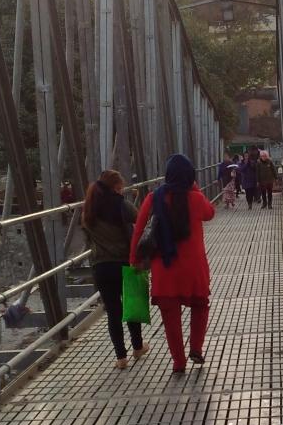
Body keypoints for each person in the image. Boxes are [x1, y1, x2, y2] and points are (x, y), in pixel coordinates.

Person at [130, 153, 215, 374]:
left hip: (164, 269)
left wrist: (134, 262)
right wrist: (195, 189)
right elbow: (210, 213)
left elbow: (139, 232)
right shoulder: (195, 198)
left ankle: (179, 362)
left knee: (170, 318)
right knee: (200, 306)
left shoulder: (153, 198)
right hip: (194, 268)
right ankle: (196, 348)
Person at [82, 169, 148, 370]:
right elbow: (141, 219)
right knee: (132, 305)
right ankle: (138, 347)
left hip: (101, 266)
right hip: (125, 262)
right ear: (115, 187)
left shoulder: (89, 208)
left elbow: (87, 235)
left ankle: (121, 357)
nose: (122, 191)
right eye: (120, 188)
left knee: (113, 312)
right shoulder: (121, 204)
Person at [240, 146, 260, 210]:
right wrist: (246, 164)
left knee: (251, 192)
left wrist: (250, 163)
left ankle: (250, 203)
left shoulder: (252, 162)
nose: (246, 157)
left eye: (247, 156)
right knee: (247, 193)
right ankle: (249, 203)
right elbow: (241, 169)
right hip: (245, 180)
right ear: (243, 156)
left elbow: (255, 169)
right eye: (245, 156)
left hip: (252, 179)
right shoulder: (242, 163)